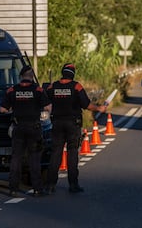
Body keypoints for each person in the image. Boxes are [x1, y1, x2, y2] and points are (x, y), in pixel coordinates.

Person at [46, 63, 106, 194]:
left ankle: (50, 185)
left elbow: (44, 101)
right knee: (72, 154)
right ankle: (73, 185)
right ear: (72, 74)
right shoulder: (76, 86)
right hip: (73, 124)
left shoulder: (53, 86)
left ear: (62, 72)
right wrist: (99, 108)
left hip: (56, 123)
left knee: (56, 153)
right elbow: (86, 105)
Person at [0, 65, 52, 197]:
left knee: (16, 158)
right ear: (31, 76)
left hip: (18, 128)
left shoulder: (12, 90)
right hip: (34, 128)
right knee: (34, 159)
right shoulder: (38, 90)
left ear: (21, 76)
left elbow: (2, 110)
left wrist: (14, 110)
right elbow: (48, 108)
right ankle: (37, 189)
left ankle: (13, 189)